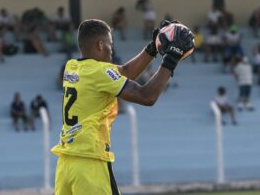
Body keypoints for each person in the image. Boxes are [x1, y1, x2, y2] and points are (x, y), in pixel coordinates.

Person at [51, 19, 194, 195]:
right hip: (90, 164)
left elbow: (125, 72)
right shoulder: (100, 73)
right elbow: (147, 96)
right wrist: (171, 58)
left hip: (65, 164)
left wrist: (152, 48)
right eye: (111, 44)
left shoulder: (72, 67)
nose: (112, 49)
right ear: (100, 45)